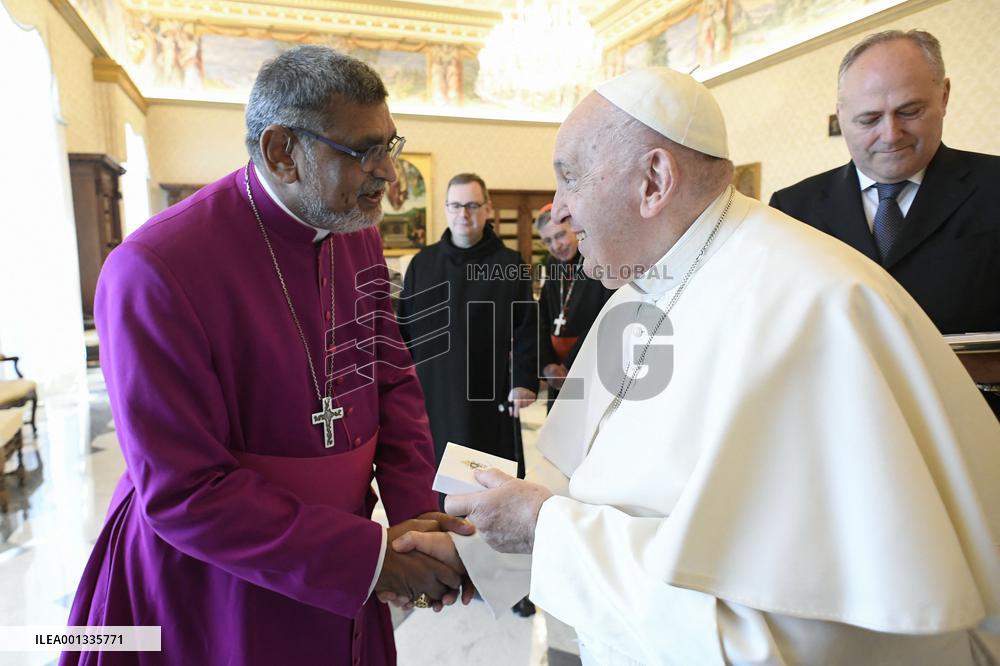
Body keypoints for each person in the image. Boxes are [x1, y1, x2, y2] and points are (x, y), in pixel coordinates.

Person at [392, 67, 1000, 664]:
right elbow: (579, 493)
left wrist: (545, 536)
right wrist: (486, 555)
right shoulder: (633, 294)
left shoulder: (812, 308)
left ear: (654, 179)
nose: (559, 211)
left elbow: (783, 632)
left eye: (571, 179)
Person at [62, 46, 474, 666]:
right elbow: (185, 491)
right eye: (365, 151)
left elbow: (390, 380)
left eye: (391, 145)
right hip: (215, 576)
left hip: (344, 552)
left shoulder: (353, 236)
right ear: (283, 151)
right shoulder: (151, 271)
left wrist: (415, 514)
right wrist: (372, 559)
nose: (389, 175)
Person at [769, 30, 1000, 413]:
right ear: (841, 115)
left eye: (910, 111)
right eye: (869, 119)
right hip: (837, 429)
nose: (891, 135)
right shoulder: (793, 209)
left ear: (943, 96)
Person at [398, 173, 538, 478]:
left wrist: (523, 380)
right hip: (433, 393)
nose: (464, 214)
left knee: (488, 488)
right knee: (435, 480)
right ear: (446, 208)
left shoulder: (510, 264)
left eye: (472, 205)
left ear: (487, 208)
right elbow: (403, 330)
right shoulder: (422, 264)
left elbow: (527, 327)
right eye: (456, 205)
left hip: (487, 394)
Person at [536, 204, 614, 410]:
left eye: (560, 235)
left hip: (588, 363)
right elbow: (541, 316)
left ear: (574, 228)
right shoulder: (553, 265)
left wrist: (568, 365)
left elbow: (606, 316)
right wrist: (548, 365)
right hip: (557, 371)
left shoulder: (597, 261)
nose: (556, 245)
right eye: (548, 241)